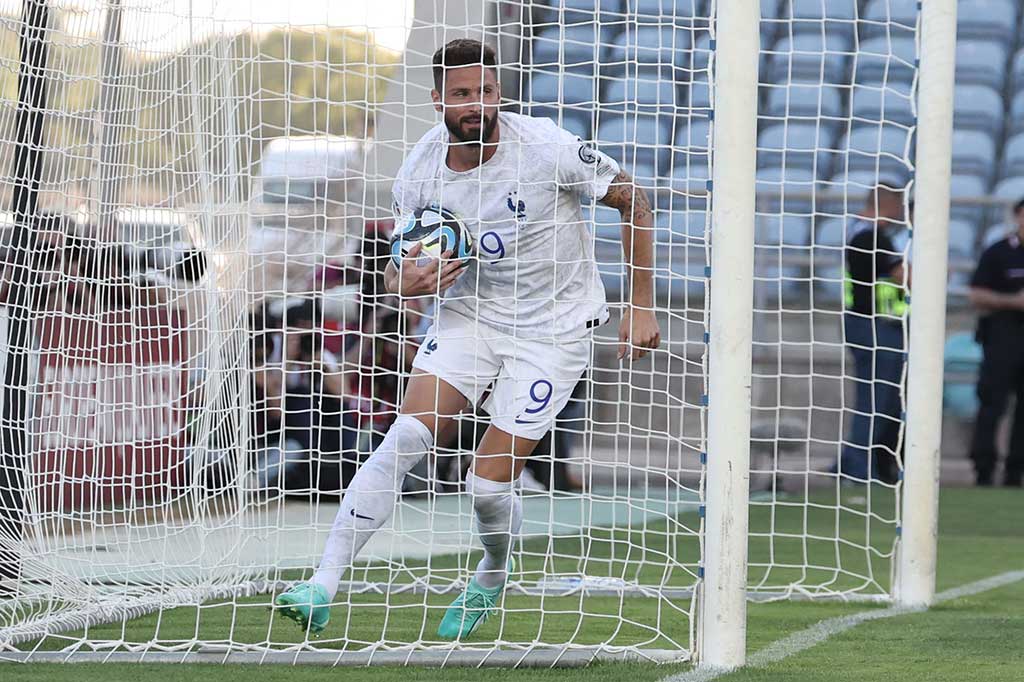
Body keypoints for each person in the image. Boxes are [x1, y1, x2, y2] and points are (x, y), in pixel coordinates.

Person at [273, 38, 660, 639]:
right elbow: (399, 269)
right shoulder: (420, 172)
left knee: (485, 486)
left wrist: (640, 304)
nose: (476, 104)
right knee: (403, 436)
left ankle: (493, 572)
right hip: (470, 317)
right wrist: (409, 279)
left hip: (552, 333)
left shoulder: (547, 148)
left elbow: (635, 200)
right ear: (436, 101)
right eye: (461, 94)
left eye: (485, 91)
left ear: (498, 92)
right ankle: (323, 583)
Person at [840, 185, 909, 483]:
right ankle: (857, 468)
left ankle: (855, 465)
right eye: (900, 205)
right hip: (873, 326)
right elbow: (904, 276)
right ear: (889, 205)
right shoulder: (870, 237)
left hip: (868, 324)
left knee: (883, 400)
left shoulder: (858, 232)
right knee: (875, 401)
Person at [966, 198, 1024, 487]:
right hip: (1003, 338)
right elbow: (976, 294)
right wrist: (1013, 301)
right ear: (1016, 216)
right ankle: (983, 468)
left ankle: (1016, 471)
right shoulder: (998, 252)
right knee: (992, 405)